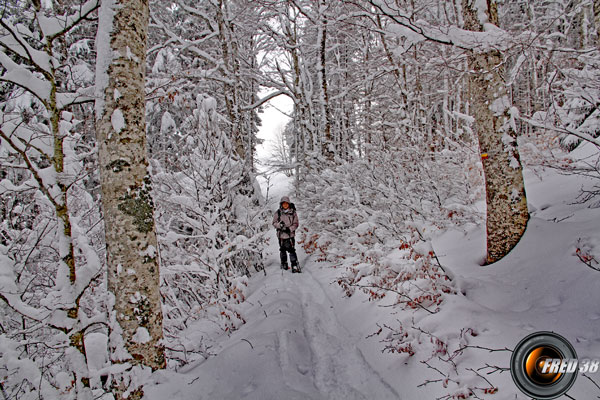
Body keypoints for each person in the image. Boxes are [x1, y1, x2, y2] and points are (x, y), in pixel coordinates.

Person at [272, 196, 299, 273]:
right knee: (282, 250)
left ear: (289, 204)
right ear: (281, 204)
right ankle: (284, 263)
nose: (285, 205)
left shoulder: (293, 212)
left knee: (292, 250)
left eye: (286, 204)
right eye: (283, 204)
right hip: (281, 235)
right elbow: (274, 223)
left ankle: (294, 264)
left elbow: (296, 223)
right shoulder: (278, 213)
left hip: (290, 235)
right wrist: (279, 225)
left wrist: (290, 229)